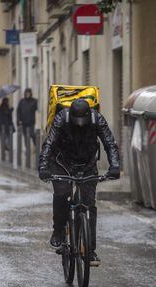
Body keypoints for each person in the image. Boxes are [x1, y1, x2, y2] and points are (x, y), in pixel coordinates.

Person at [38, 99, 120, 265]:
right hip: (61, 163)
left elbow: (109, 143)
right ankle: (59, 231)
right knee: (63, 194)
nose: (80, 126)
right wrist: (44, 167)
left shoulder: (97, 119)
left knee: (88, 203)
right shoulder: (62, 118)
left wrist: (115, 166)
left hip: (87, 164)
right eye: (77, 123)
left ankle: (90, 251)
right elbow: (49, 143)